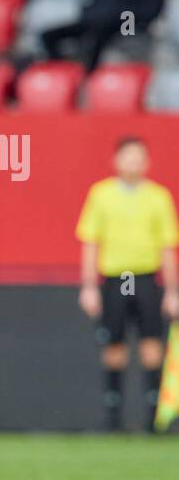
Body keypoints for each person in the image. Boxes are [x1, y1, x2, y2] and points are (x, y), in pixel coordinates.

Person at [76, 137, 179, 430]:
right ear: (116, 161)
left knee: (151, 344)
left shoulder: (159, 197)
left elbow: (167, 246)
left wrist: (172, 291)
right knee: (114, 344)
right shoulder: (101, 195)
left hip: (146, 278)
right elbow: (90, 242)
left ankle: (154, 420)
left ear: (147, 162)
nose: (133, 162)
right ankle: (113, 420)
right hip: (117, 279)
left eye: (138, 157)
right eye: (127, 157)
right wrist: (89, 286)